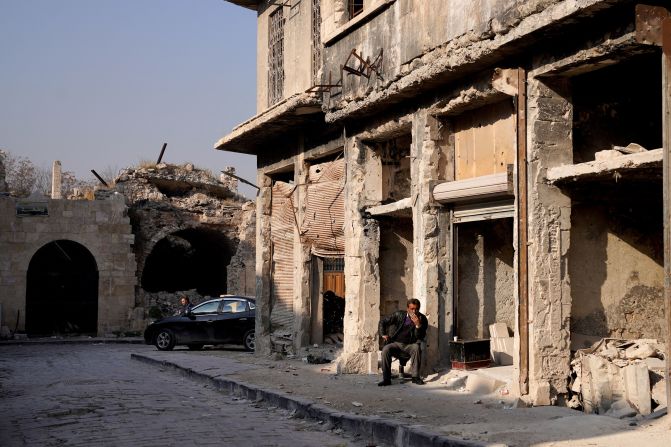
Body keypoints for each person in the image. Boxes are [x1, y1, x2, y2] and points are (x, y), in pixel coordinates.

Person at [378, 298, 428, 386]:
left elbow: (420, 337)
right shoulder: (399, 315)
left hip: (410, 345)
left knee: (416, 348)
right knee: (386, 349)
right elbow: (383, 322)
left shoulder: (422, 319)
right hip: (396, 343)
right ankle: (386, 378)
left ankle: (415, 377)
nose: (414, 311)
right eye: (412, 309)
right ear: (407, 309)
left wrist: (418, 325)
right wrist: (383, 334)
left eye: (416, 309)